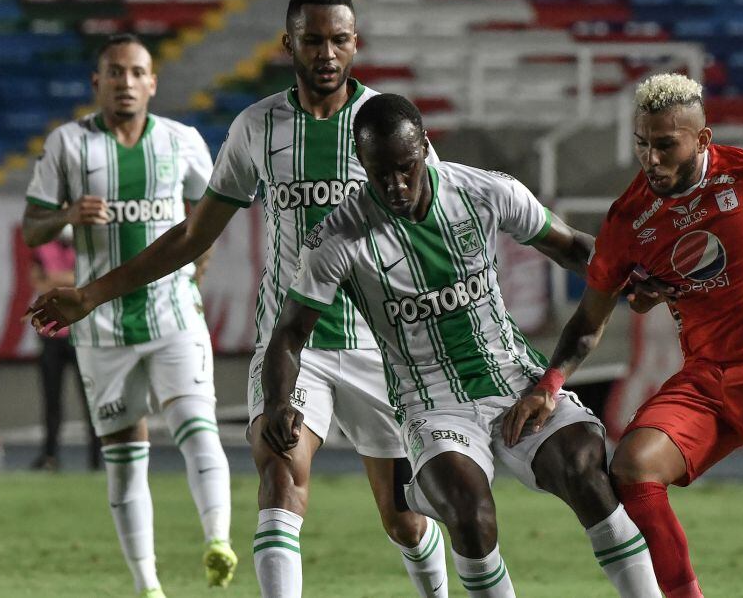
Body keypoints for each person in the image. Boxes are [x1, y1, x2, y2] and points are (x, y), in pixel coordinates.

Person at [27, 0, 450, 597]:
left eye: (338, 40)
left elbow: (439, 224)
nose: (326, 53)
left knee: (406, 519)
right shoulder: (258, 128)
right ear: (289, 45)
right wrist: (91, 294)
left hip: (377, 348)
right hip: (289, 346)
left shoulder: (390, 123)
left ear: (356, 43)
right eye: (312, 40)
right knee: (280, 483)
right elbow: (194, 234)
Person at [263, 92, 660, 597]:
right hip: (432, 405)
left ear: (425, 147)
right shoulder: (337, 239)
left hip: (513, 379)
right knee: (470, 513)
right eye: (379, 171)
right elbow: (289, 335)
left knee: (586, 468)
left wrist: (632, 275)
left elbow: (573, 248)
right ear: (360, 163)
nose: (395, 184)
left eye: (406, 167)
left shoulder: (484, 191)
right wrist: (278, 401)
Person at [507, 73, 743, 598]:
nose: (650, 159)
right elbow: (590, 321)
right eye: (641, 143)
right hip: (706, 376)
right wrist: (550, 382)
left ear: (702, 139)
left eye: (664, 145)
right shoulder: (629, 220)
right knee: (633, 466)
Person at [21, 33, 236, 597]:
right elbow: (31, 227)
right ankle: (148, 587)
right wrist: (66, 213)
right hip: (102, 328)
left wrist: (197, 274)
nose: (126, 82)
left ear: (152, 83)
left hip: (173, 316)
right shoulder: (69, 145)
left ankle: (218, 541)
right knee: (123, 458)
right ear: (97, 83)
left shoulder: (183, 142)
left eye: (137, 72)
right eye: (114, 72)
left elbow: (206, 220)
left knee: (198, 429)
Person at [28, 226, 102, 471]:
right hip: (51, 334)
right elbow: (41, 283)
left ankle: (97, 458)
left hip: (80, 335)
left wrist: (57, 280)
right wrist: (70, 280)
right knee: (51, 401)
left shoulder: (86, 248)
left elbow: (87, 283)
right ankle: (50, 456)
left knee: (90, 401)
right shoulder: (43, 248)